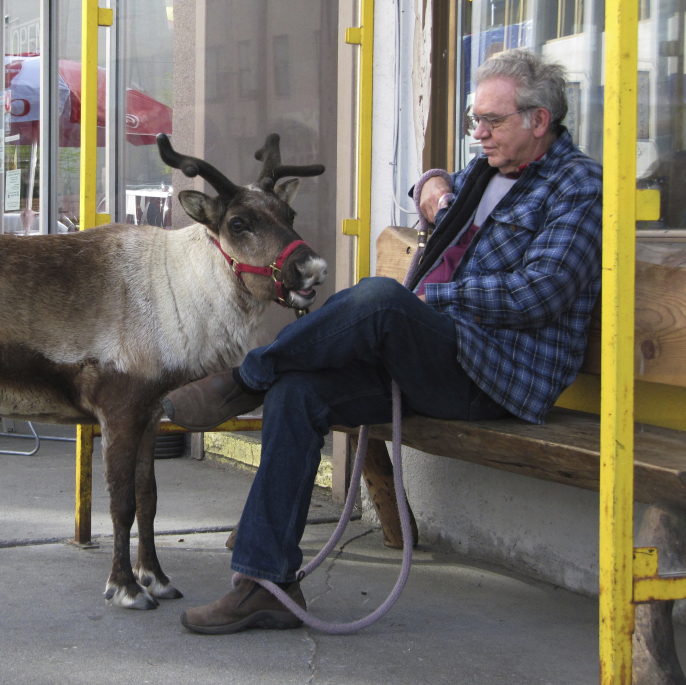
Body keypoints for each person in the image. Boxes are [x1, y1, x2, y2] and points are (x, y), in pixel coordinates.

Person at [162, 48, 603, 635]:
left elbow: (538, 294)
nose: (478, 133)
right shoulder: (487, 170)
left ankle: (245, 379)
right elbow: (436, 190)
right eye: (474, 119)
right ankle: (264, 583)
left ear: (538, 121)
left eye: (490, 122)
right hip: (434, 357)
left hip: (496, 375)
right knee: (299, 391)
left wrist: (431, 302)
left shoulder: (578, 186)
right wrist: (434, 182)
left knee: (382, 299)